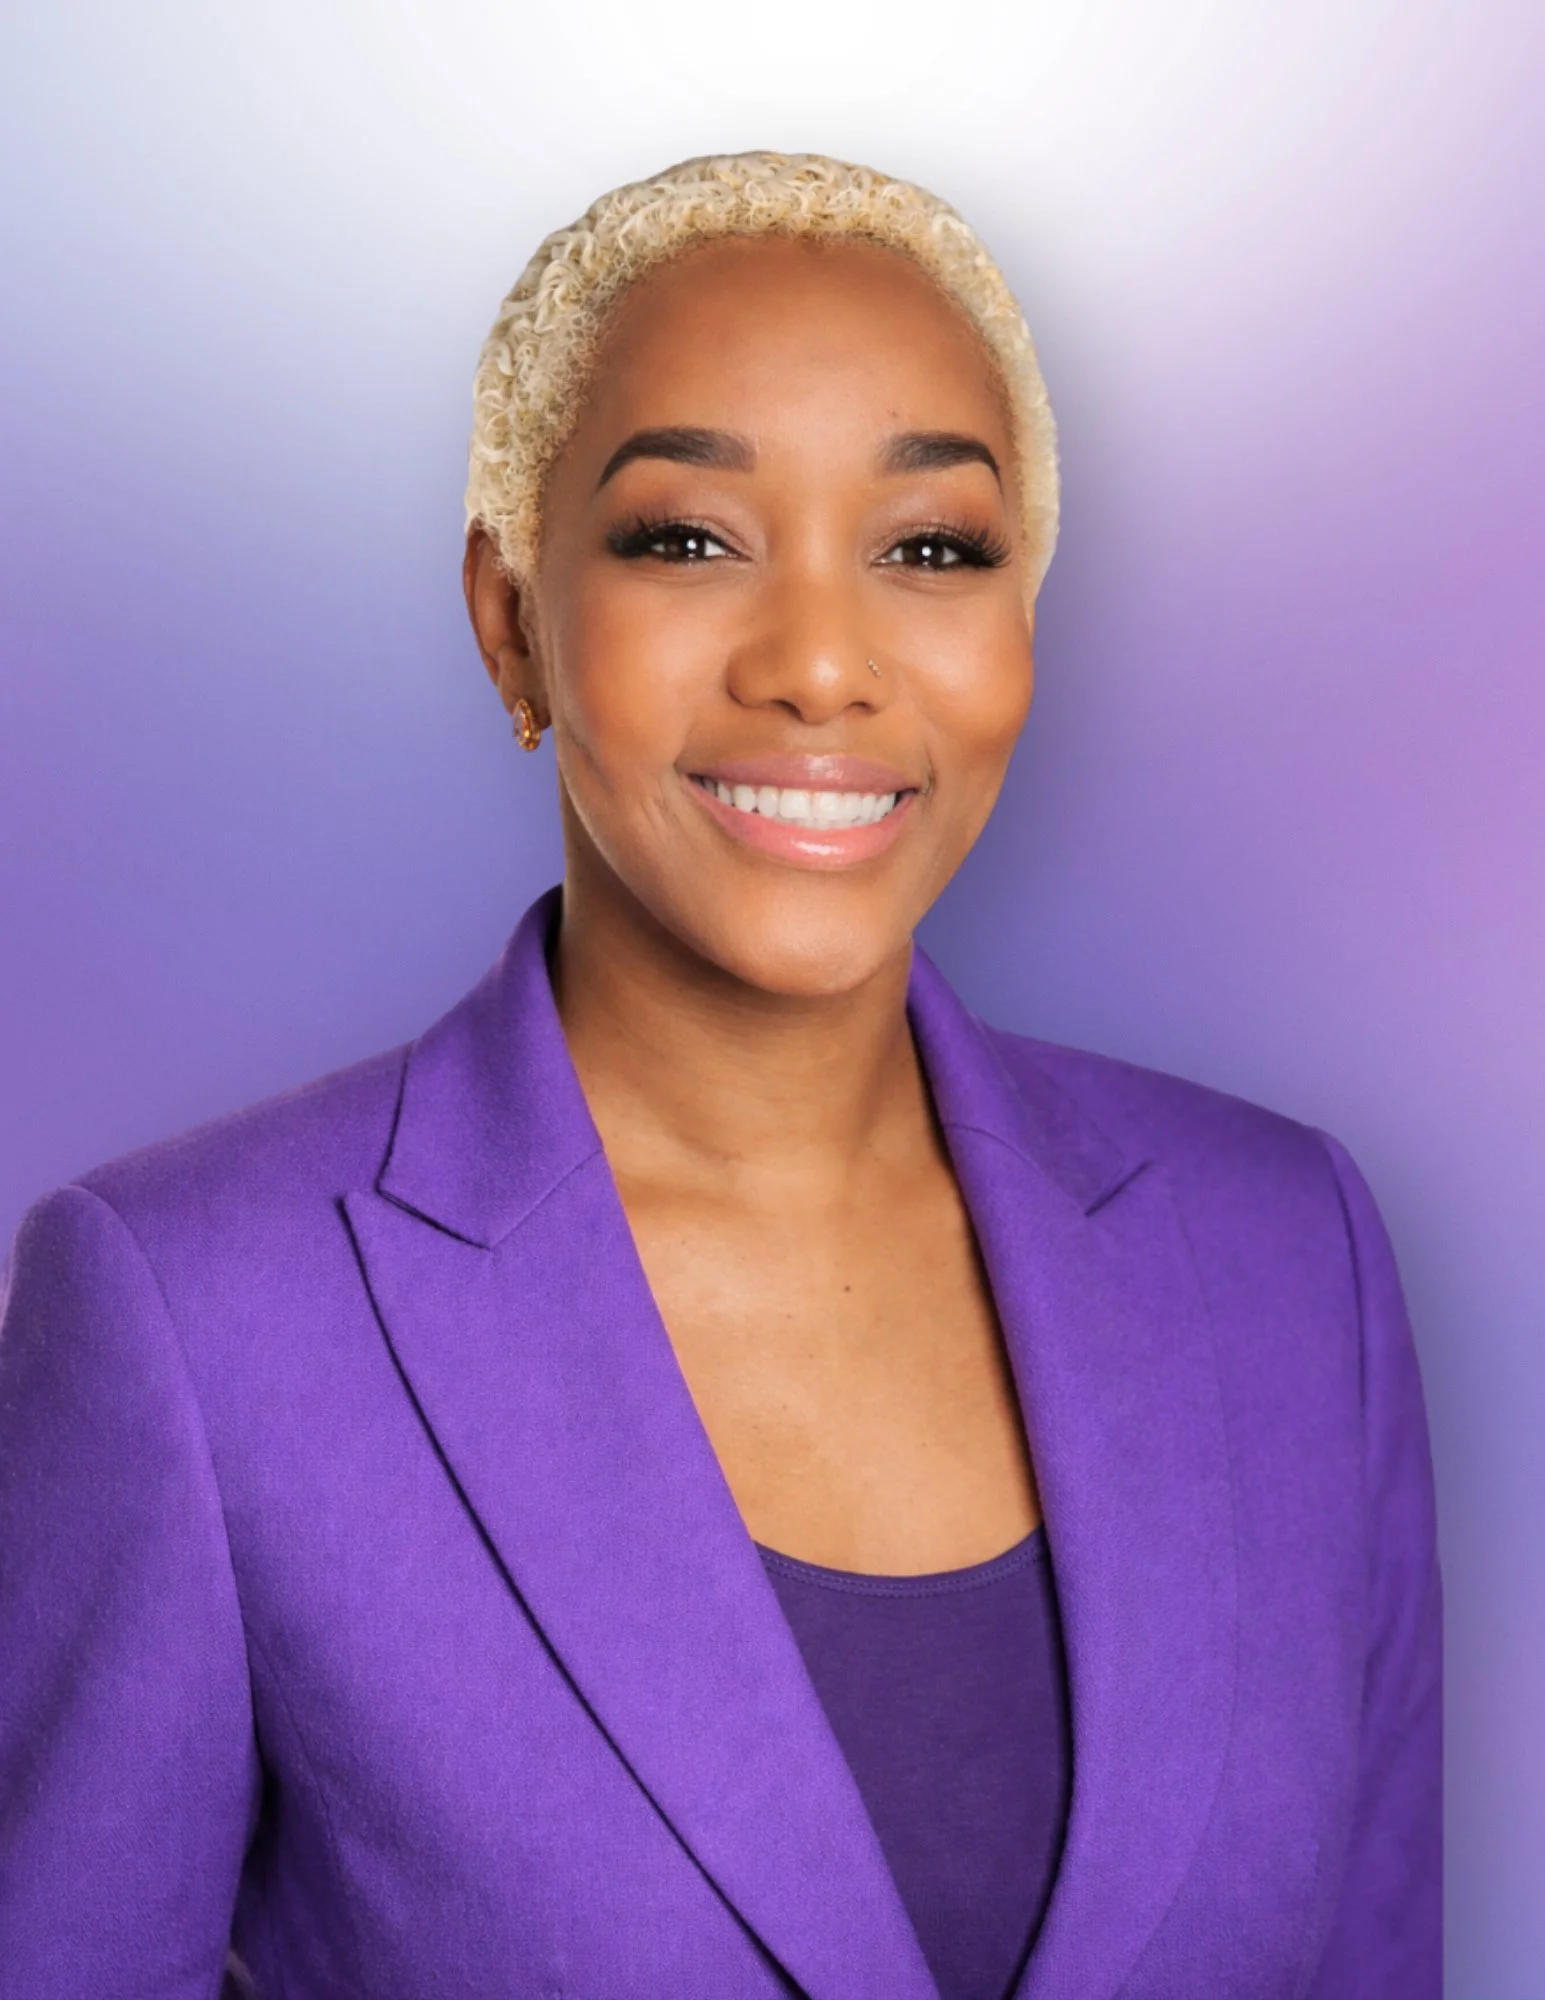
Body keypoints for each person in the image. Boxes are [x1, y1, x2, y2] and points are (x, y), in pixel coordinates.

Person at [0, 152, 1440, 2000]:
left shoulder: (1291, 1259)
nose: (821, 665)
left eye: (932, 549)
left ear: (1024, 620)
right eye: (687, 539)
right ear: (512, 620)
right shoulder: (191, 1318)